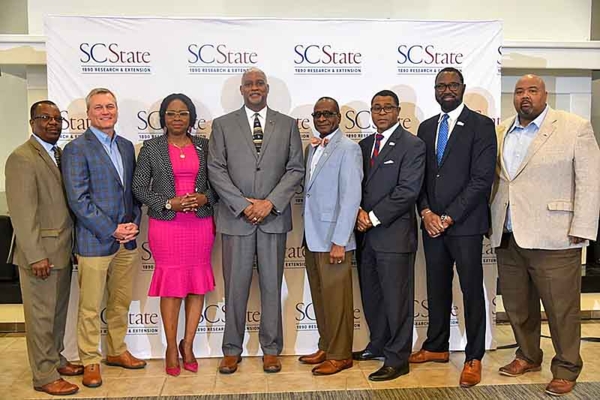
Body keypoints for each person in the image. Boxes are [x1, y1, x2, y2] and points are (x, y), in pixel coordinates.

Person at [489, 74, 600, 396]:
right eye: (520, 91)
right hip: (508, 234)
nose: (525, 96)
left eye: (532, 90)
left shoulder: (574, 127)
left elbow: (591, 182)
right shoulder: (501, 130)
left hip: (556, 235)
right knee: (517, 305)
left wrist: (583, 228)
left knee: (561, 308)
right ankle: (527, 355)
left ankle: (566, 367)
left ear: (545, 94)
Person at [208, 67, 304, 374]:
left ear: (266, 88)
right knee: (234, 287)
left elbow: (295, 170)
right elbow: (216, 170)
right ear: (241, 89)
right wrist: (242, 204)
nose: (254, 87)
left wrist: (270, 203)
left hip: (272, 218)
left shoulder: (287, 125)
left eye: (259, 83)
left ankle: (271, 349)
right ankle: (231, 349)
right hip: (236, 220)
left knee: (271, 286)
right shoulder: (223, 125)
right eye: (248, 83)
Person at [409, 67, 497, 388]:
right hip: (432, 225)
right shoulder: (427, 126)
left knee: (471, 290)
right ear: (434, 90)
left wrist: (449, 217)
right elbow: (419, 175)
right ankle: (436, 346)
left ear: (462, 88)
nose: (446, 89)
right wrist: (427, 212)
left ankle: (474, 355)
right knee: (436, 286)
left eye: (452, 85)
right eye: (440, 85)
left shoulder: (481, 125)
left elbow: (481, 179)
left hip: (465, 225)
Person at [62, 88, 146, 388]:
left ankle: (116, 350)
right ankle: (90, 360)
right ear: (89, 113)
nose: (105, 111)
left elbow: (134, 193)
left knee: (120, 301)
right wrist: (112, 228)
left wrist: (133, 223)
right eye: (99, 107)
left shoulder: (125, 146)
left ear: (116, 110)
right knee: (89, 305)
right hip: (95, 240)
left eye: (110, 106)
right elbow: (78, 199)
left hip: (127, 240)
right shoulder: (76, 149)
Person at [132, 93, 218, 376]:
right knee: (171, 285)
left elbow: (219, 184)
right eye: (171, 114)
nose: (177, 119)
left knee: (196, 283)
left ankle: (188, 344)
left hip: (200, 225)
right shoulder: (151, 148)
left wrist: (205, 198)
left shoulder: (206, 147)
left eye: (182, 113)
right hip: (167, 226)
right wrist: (170, 203)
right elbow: (140, 188)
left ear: (191, 117)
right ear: (163, 118)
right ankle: (170, 347)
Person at [5, 101, 81, 396]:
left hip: (61, 249)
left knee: (57, 313)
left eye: (56, 118)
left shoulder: (58, 154)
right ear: (32, 122)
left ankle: (56, 359)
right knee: (40, 317)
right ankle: (44, 375)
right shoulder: (22, 158)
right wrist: (36, 254)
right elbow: (23, 213)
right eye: (44, 118)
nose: (52, 123)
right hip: (40, 255)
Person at [354, 90, 426, 381]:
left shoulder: (412, 145)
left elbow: (407, 192)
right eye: (376, 108)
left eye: (387, 108)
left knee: (397, 300)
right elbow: (354, 185)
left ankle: (398, 358)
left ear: (398, 111)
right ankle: (379, 344)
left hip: (393, 236)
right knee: (372, 296)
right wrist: (357, 212)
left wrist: (370, 218)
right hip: (365, 236)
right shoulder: (363, 145)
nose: (381, 112)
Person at [298, 97, 362, 375]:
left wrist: (340, 240)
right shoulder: (312, 148)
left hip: (334, 239)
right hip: (312, 236)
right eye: (317, 114)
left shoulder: (349, 149)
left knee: (338, 299)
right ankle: (326, 344)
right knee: (322, 297)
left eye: (328, 114)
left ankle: (341, 354)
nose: (322, 118)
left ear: (338, 117)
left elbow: (351, 197)